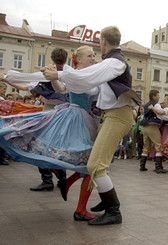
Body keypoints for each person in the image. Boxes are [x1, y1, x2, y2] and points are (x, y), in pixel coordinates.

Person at [43, 26, 140, 225]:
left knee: (95, 165)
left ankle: (114, 211)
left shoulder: (114, 62)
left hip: (117, 117)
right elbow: (86, 79)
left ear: (103, 41)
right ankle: (106, 201)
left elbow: (86, 77)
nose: (94, 54)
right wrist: (60, 76)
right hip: (112, 116)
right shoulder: (112, 62)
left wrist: (60, 75)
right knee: (97, 164)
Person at [0, 45, 100, 221]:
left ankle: (67, 183)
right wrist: (54, 77)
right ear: (79, 59)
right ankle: (80, 208)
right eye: (90, 55)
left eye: (94, 55)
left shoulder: (82, 74)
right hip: (75, 118)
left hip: (86, 119)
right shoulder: (74, 74)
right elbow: (60, 88)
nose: (93, 58)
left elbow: (73, 87)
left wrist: (57, 75)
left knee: (89, 163)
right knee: (89, 163)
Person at [2, 48, 69, 190]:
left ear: (52, 58)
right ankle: (62, 178)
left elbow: (25, 86)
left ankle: (47, 180)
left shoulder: (44, 74)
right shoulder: (68, 74)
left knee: (39, 144)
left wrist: (7, 80)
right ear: (66, 58)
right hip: (64, 114)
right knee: (58, 147)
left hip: (47, 112)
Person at [139, 90, 167, 173]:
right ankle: (158, 167)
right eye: (158, 95)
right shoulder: (156, 104)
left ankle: (142, 166)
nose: (159, 97)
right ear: (154, 96)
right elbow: (160, 113)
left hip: (145, 127)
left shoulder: (146, 104)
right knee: (158, 145)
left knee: (146, 146)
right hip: (152, 126)